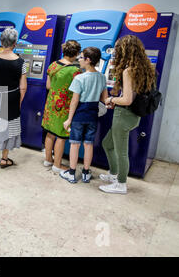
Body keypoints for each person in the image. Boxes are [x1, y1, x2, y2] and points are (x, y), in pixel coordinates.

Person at [99, 35, 156, 194]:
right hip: (131, 116)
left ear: (126, 50)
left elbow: (127, 99)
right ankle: (113, 174)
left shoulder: (128, 70)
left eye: (118, 49)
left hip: (124, 116)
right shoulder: (143, 68)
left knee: (121, 152)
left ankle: (121, 184)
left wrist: (111, 99)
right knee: (107, 144)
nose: (116, 52)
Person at [60, 47, 107, 183]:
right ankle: (86, 173)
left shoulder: (80, 78)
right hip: (93, 114)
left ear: (88, 60)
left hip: (80, 114)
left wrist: (69, 119)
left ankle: (72, 172)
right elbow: (104, 98)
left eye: (81, 58)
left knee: (75, 144)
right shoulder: (102, 77)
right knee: (88, 144)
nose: (79, 60)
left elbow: (74, 101)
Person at [0, 28, 27, 168]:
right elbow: (23, 86)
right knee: (10, 128)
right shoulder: (21, 63)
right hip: (12, 96)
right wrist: (19, 101)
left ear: (1, 42)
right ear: (15, 43)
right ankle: (4, 159)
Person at [41, 40, 82, 173]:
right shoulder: (75, 71)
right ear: (76, 54)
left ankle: (48, 159)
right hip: (64, 106)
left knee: (50, 132)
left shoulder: (53, 65)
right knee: (61, 136)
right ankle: (57, 165)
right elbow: (78, 91)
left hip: (51, 104)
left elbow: (48, 86)